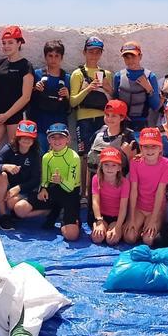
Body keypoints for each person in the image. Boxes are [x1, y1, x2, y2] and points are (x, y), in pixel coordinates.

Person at [0, 26, 34, 167]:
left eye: (10, 42)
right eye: (4, 43)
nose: (6, 46)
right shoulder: (0, 65)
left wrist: (7, 115)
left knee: (16, 156)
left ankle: (13, 188)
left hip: (16, 117)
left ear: (19, 43)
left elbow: (26, 97)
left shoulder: (26, 66)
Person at [70, 36, 113, 208]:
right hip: (84, 118)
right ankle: (84, 194)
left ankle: (101, 191)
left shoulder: (108, 74)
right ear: (84, 52)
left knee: (104, 155)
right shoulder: (78, 73)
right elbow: (73, 102)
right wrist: (88, 88)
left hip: (103, 119)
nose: (94, 54)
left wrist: (107, 88)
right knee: (85, 156)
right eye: (90, 51)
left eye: (97, 51)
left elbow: (113, 101)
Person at [124, 128, 168, 246]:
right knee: (129, 238)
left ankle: (148, 226)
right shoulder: (135, 163)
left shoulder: (166, 163)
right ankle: (140, 227)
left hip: (156, 209)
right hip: (139, 208)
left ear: (160, 148)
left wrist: (154, 219)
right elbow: (133, 190)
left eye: (153, 146)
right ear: (141, 148)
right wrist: (131, 217)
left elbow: (160, 192)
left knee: (148, 240)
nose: (150, 150)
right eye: (146, 147)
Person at [35, 123, 82, 241]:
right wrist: (43, 189)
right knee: (23, 208)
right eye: (53, 137)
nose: (57, 140)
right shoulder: (46, 157)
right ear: (48, 140)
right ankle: (54, 211)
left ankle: (66, 217)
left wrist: (61, 180)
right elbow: (45, 180)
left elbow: (70, 187)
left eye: (60, 137)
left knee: (71, 235)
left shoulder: (74, 157)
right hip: (55, 188)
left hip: (70, 192)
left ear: (68, 139)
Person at [0, 120, 42, 230]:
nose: (26, 139)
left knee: (11, 203)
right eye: (23, 136)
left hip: (24, 189)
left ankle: (45, 211)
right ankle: (4, 215)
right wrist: (5, 167)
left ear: (34, 140)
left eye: (30, 137)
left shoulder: (34, 154)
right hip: (7, 186)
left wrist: (18, 188)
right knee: (0, 175)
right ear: (18, 137)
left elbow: (36, 180)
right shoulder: (9, 148)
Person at [85, 100, 137, 193]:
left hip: (118, 186)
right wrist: (87, 187)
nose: (109, 118)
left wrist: (129, 154)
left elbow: (137, 165)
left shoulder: (129, 137)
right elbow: (89, 159)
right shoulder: (98, 133)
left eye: (114, 116)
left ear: (122, 118)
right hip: (96, 185)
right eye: (107, 115)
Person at [28, 39, 70, 152]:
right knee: (39, 157)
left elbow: (71, 105)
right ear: (45, 57)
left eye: (57, 56)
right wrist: (35, 88)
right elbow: (26, 97)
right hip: (39, 124)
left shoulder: (67, 78)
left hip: (59, 127)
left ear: (62, 57)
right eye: (50, 55)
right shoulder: (37, 74)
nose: (53, 59)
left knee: (58, 158)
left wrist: (67, 95)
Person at [113, 41, 160, 131]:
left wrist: (149, 89)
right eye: (127, 57)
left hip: (143, 123)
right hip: (122, 123)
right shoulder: (118, 76)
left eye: (133, 56)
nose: (130, 60)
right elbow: (115, 101)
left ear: (140, 56)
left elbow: (155, 106)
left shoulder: (150, 76)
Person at [90, 147, 129, 245]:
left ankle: (112, 227)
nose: (109, 168)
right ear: (101, 166)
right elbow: (95, 201)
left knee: (111, 240)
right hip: (102, 216)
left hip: (117, 217)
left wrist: (118, 227)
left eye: (113, 165)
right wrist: (98, 221)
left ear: (119, 168)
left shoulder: (125, 182)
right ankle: (102, 226)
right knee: (97, 238)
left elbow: (123, 207)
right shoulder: (96, 179)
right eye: (106, 165)